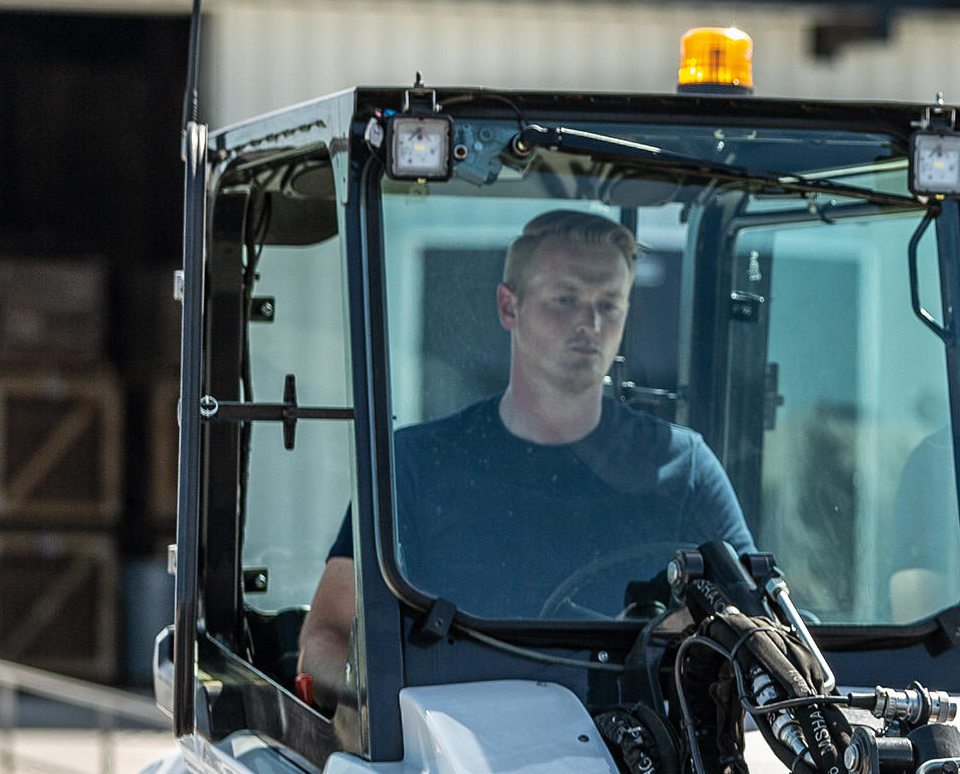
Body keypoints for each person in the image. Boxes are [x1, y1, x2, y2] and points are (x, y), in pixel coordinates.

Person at [297, 209, 750, 701]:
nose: (591, 324)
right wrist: (405, 707)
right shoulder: (415, 464)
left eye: (610, 305)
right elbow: (326, 639)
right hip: (451, 760)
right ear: (508, 307)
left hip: (639, 761)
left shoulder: (683, 468)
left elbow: (758, 635)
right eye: (565, 300)